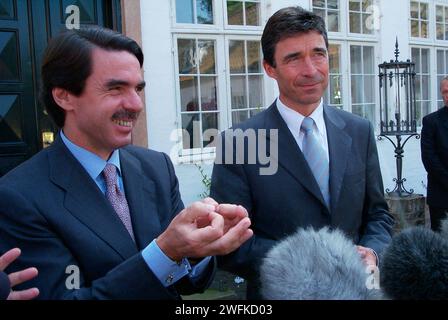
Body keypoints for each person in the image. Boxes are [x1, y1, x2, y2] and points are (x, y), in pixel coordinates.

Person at [0, 27, 253, 300]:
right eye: (115, 88)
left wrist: (199, 246)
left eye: (138, 89)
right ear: (64, 96)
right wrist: (166, 251)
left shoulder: (156, 167)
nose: (135, 104)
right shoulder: (19, 196)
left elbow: (185, 284)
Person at [210, 6, 394, 299]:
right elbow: (232, 243)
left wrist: (373, 252)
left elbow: (378, 215)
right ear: (269, 68)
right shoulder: (238, 143)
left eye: (318, 54)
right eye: (294, 58)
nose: (310, 70)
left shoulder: (358, 130)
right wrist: (312, 265)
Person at [421, 76, 448, 232]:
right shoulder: (431, 122)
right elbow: (429, 158)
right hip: (441, 196)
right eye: (445, 92)